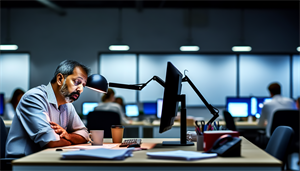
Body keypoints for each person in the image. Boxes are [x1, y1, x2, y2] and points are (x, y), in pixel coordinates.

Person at [5, 60, 90, 158]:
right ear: (59, 79)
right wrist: (73, 139)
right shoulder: (34, 97)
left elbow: (84, 134)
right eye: (77, 82)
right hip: (22, 161)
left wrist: (68, 136)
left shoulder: (67, 104)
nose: (81, 89)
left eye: (83, 85)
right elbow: (51, 142)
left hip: (47, 158)